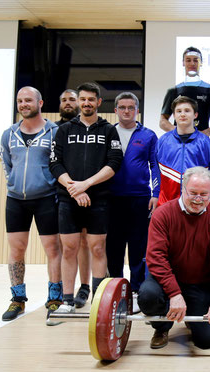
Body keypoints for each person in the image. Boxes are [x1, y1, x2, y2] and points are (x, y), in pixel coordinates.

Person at [49, 82, 123, 315]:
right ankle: (67, 302)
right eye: (83, 99)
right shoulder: (64, 130)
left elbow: (114, 164)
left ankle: (99, 304)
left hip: (99, 199)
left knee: (98, 249)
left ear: (99, 102)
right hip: (68, 198)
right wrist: (74, 188)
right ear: (79, 101)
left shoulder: (109, 130)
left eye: (91, 99)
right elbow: (54, 163)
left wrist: (86, 185)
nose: (86, 103)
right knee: (69, 249)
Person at [138, 167, 210, 350]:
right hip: (166, 284)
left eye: (204, 194)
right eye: (193, 193)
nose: (198, 199)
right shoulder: (162, 215)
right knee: (148, 296)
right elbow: (156, 258)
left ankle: (192, 318)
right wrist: (174, 293)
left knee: (207, 341)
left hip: (198, 284)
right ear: (183, 189)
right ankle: (162, 328)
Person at [0, 86, 62, 323]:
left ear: (40, 103)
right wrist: (14, 185)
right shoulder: (9, 134)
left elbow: (59, 163)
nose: (24, 104)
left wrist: (49, 185)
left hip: (46, 198)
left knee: (53, 249)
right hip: (16, 200)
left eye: (28, 100)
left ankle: (54, 299)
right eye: (20, 101)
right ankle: (18, 300)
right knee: (16, 250)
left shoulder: (54, 131)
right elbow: (7, 164)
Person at [107, 92, 160, 313]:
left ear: (137, 110)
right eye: (122, 107)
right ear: (115, 110)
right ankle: (115, 289)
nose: (126, 111)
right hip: (112, 198)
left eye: (131, 107)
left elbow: (155, 166)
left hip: (140, 198)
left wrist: (155, 193)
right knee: (114, 246)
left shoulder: (147, 135)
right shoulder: (108, 133)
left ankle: (137, 290)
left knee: (138, 247)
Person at [55, 88, 92, 308]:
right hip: (64, 192)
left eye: (72, 99)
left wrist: (82, 188)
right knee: (66, 245)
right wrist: (72, 188)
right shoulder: (56, 129)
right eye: (64, 99)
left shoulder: (89, 128)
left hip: (89, 193)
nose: (68, 103)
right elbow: (54, 162)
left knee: (87, 242)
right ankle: (62, 293)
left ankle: (85, 287)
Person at [156, 96, 210, 205]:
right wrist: (155, 194)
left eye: (187, 111)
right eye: (179, 111)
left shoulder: (205, 142)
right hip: (167, 202)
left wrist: (207, 195)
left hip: (196, 203)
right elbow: (156, 170)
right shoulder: (163, 141)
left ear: (195, 115)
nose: (183, 114)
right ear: (174, 115)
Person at [159, 47, 210, 136]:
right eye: (188, 60)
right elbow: (163, 121)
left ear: (201, 63)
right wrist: (177, 132)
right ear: (183, 63)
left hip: (201, 142)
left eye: (196, 60)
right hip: (178, 142)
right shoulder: (173, 91)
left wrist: (204, 134)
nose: (192, 63)